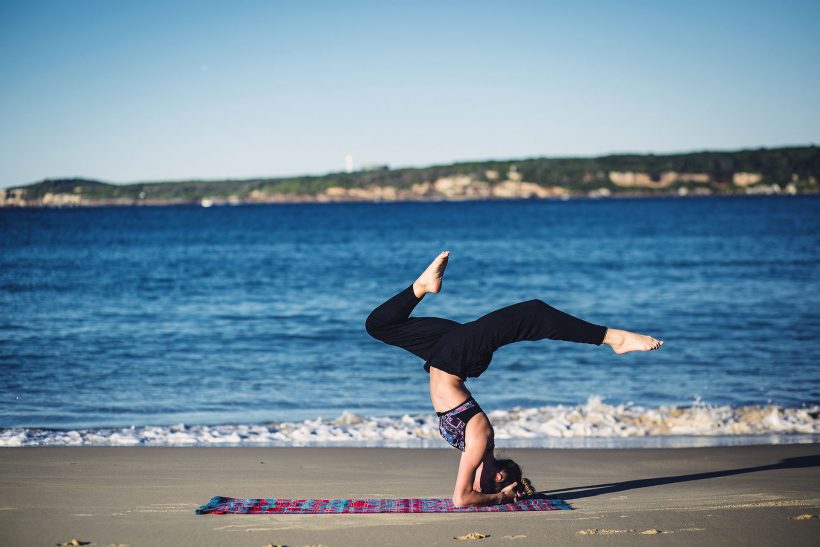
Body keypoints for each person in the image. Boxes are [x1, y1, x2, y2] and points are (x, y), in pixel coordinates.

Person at [365, 251, 663, 508]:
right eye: (483, 485)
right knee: (534, 312)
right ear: (497, 476)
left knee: (379, 325)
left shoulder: (472, 447)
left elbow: (462, 497)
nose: (473, 484)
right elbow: (463, 498)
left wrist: (502, 496)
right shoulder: (480, 438)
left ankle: (422, 286)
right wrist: (502, 497)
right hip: (457, 358)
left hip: (443, 353)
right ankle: (614, 339)